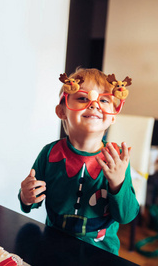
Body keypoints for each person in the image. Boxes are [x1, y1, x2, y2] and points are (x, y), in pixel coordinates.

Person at [18, 68, 139, 255]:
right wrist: (26, 197)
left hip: (100, 255)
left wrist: (118, 183)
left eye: (104, 100)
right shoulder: (49, 153)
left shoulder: (117, 158)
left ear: (113, 115)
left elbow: (126, 216)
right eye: (82, 98)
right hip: (53, 248)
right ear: (62, 111)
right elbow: (31, 203)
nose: (94, 104)